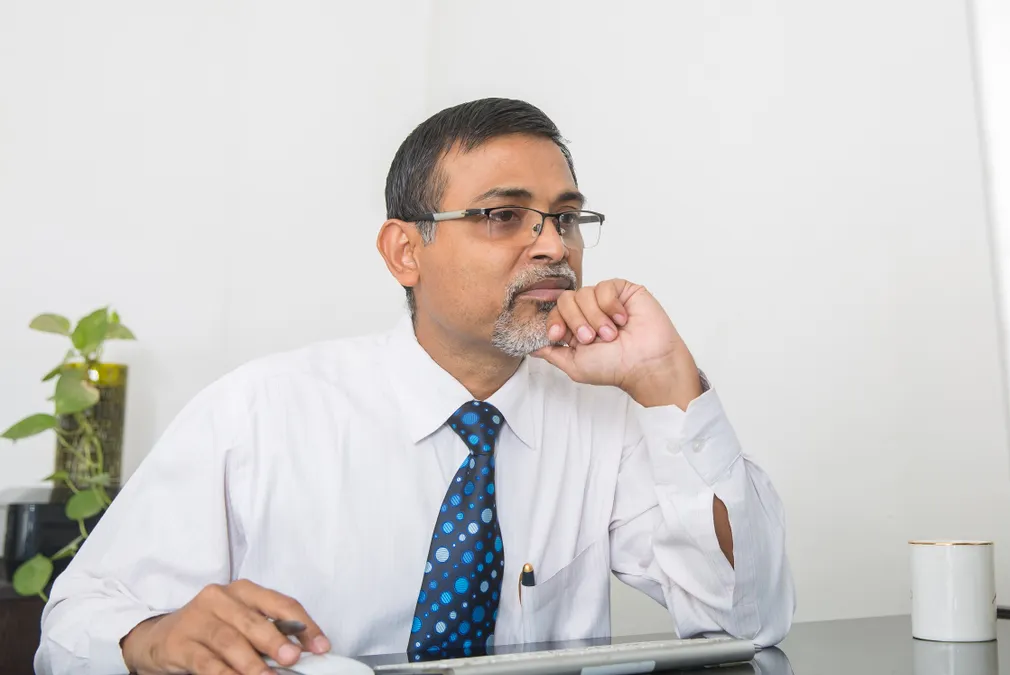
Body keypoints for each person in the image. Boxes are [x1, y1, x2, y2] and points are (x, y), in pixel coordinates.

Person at [35, 98, 795, 675]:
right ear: (405, 250)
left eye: (567, 218)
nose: (554, 246)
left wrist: (668, 381)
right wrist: (149, 639)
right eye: (505, 216)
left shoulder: (607, 423)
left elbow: (749, 619)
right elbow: (74, 621)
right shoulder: (260, 412)